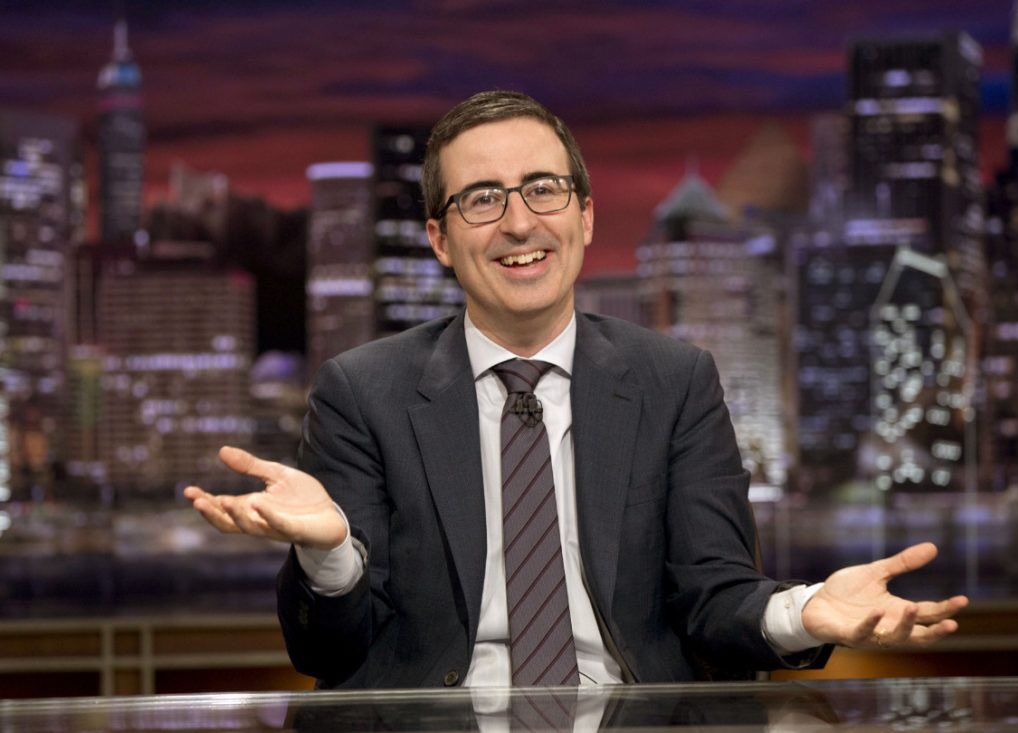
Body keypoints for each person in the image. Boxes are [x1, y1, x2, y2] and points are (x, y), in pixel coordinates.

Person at [184, 90, 968, 690]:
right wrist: (328, 556)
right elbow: (327, 651)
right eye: (482, 198)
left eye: (543, 189)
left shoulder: (675, 381)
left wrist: (804, 610)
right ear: (440, 239)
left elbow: (713, 598)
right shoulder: (363, 391)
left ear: (586, 217)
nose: (519, 223)